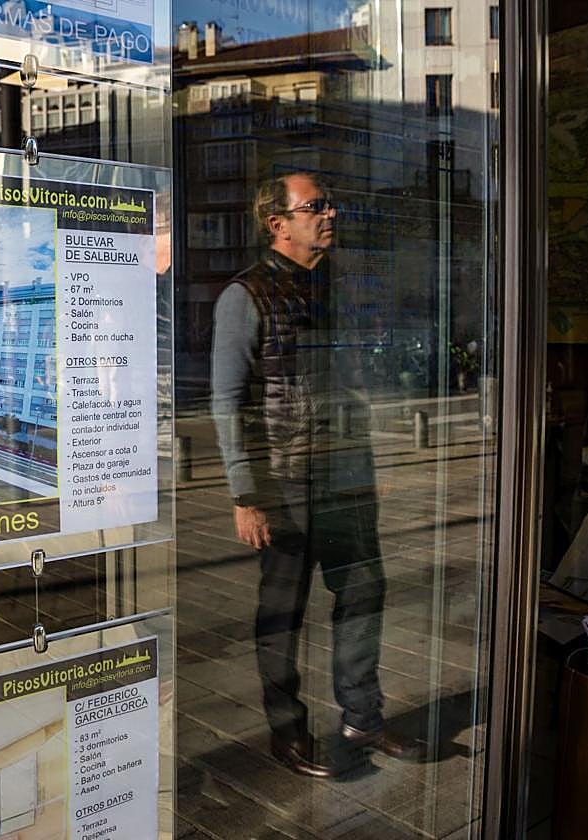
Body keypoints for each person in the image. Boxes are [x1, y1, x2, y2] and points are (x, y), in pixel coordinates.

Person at [210, 171, 421, 777]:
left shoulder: (333, 288)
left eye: (330, 204)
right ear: (278, 223)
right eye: (316, 206)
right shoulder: (244, 295)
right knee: (283, 613)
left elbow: (347, 381)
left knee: (363, 593)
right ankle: (287, 732)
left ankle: (363, 716)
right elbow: (228, 401)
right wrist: (245, 494)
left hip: (344, 475)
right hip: (286, 480)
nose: (331, 214)